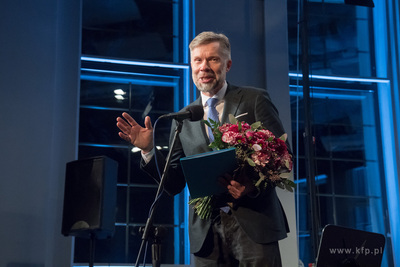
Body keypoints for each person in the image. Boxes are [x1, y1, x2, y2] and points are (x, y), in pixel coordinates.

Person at [116, 31, 289, 267]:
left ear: (227, 64)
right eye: (198, 60)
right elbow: (173, 183)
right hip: (206, 233)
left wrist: (250, 186)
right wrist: (149, 150)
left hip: (254, 223)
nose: (204, 66)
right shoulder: (185, 117)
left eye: (213, 59)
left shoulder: (254, 99)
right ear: (191, 66)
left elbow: (282, 155)